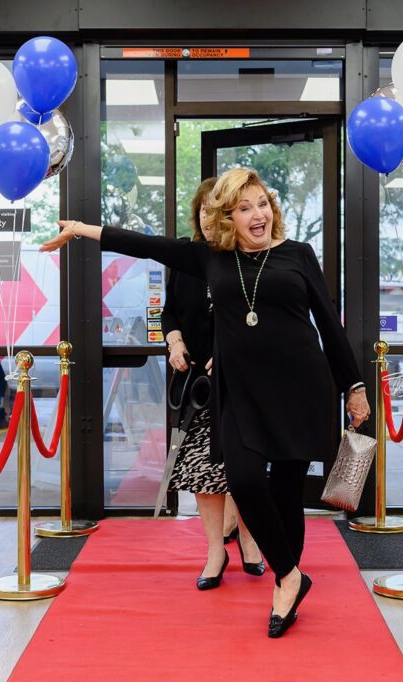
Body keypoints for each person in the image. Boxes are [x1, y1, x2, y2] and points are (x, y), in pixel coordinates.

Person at [41, 167, 370, 639]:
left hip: (300, 387)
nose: (257, 214)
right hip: (238, 391)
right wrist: (81, 230)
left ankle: (284, 581)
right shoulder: (212, 258)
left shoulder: (299, 255)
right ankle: (293, 575)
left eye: (262, 204)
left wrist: (353, 386)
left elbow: (329, 324)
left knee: (285, 492)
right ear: (227, 217)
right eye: (244, 208)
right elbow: (145, 244)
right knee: (244, 478)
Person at [161, 177, 264, 590]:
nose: (206, 219)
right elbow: (169, 312)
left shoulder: (244, 261)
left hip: (239, 381)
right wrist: (174, 339)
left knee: (245, 469)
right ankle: (215, 552)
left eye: (214, 210)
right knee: (204, 471)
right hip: (196, 385)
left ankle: (251, 542)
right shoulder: (186, 260)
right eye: (201, 211)